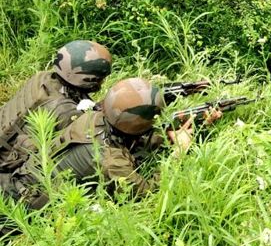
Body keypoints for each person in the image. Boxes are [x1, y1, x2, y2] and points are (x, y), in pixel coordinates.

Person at [0, 77, 190, 210]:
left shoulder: (92, 118)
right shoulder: (110, 161)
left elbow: (129, 136)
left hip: (14, 181)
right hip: (17, 208)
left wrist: (164, 137)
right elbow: (148, 193)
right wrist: (179, 152)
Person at [0, 40, 113, 171]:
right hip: (8, 163)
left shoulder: (42, 77)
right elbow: (88, 141)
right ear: (88, 80)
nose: (102, 82)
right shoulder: (66, 112)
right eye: (100, 78)